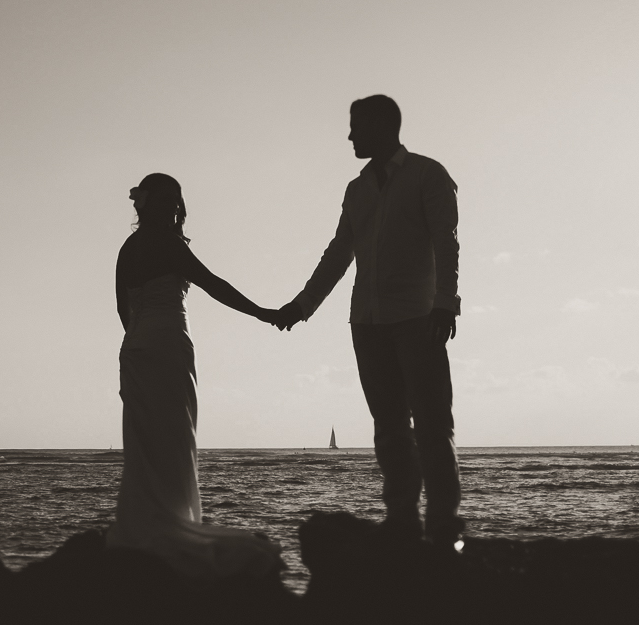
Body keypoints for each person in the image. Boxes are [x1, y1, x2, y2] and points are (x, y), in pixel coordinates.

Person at [272, 95, 464, 552]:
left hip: (419, 316)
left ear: (382, 125)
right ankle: (401, 520)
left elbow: (447, 241)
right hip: (368, 321)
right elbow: (339, 254)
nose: (351, 135)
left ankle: (443, 527)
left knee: (434, 423)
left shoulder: (427, 174)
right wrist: (301, 306)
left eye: (356, 126)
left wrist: (445, 303)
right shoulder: (357, 189)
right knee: (389, 425)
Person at [108, 172, 283, 578]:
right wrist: (264, 313)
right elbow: (213, 285)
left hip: (135, 348)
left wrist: (137, 342)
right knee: (172, 439)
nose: (171, 207)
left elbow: (122, 309)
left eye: (176, 201)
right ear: (147, 204)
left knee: (145, 444)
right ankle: (168, 530)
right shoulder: (168, 245)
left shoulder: (127, 248)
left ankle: (142, 529)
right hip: (167, 345)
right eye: (165, 200)